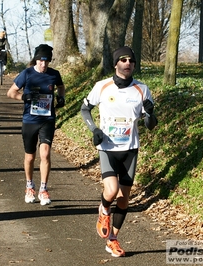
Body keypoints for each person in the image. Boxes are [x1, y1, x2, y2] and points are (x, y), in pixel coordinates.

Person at [80, 46, 157, 257]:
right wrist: (94, 129)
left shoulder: (142, 89)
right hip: (107, 147)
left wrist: (150, 113)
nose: (127, 63)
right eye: (123, 60)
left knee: (124, 199)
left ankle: (112, 240)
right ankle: (104, 209)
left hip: (130, 149)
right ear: (115, 64)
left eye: (131, 60)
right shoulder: (102, 86)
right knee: (111, 191)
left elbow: (151, 124)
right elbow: (85, 108)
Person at [6, 44, 66, 205]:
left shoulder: (54, 74)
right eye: (41, 61)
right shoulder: (26, 74)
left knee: (45, 154)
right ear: (36, 60)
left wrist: (61, 97)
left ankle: (44, 189)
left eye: (46, 61)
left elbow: (61, 87)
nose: (43, 64)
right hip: (30, 121)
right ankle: (29, 186)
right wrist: (23, 97)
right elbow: (11, 93)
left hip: (47, 120)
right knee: (30, 156)